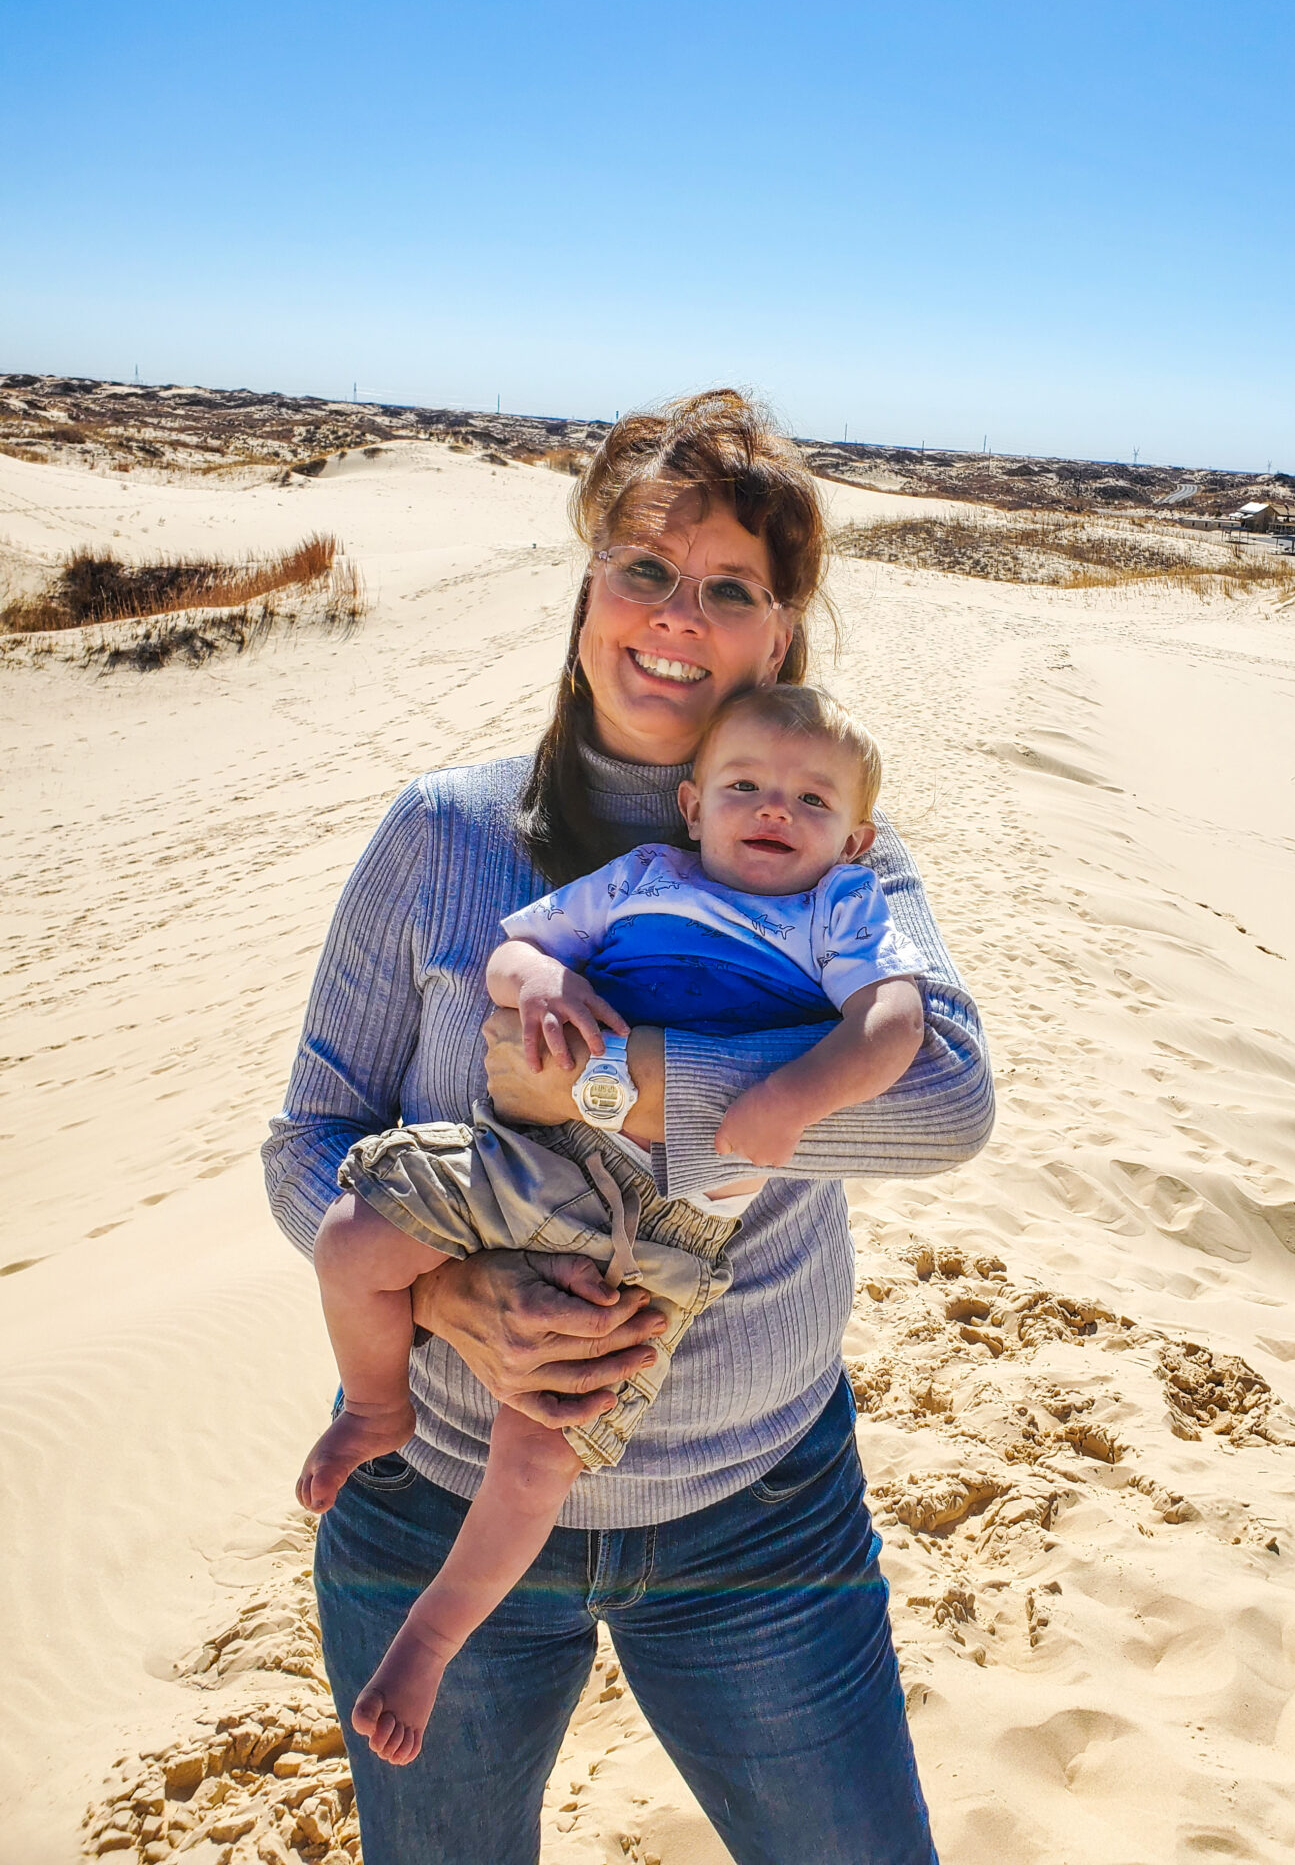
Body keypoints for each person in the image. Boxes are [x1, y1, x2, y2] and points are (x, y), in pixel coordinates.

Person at [263, 388, 994, 1865]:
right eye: (645, 570)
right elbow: (311, 1138)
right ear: (592, 585)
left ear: (780, 633)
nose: (678, 618)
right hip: (435, 1497)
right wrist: (456, 1301)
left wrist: (601, 1085)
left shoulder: (837, 848)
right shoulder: (445, 835)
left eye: (731, 588)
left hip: (759, 1513)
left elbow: (946, 1104)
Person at [297, 683, 927, 1765]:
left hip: (663, 1223)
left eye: (811, 799)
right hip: (530, 1160)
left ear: (854, 836)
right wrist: (538, 976)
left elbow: (898, 1025)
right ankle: (374, 1401)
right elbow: (511, 951)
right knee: (355, 1237)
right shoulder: (644, 878)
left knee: (540, 1440)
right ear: (692, 805)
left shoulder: (842, 908)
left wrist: (790, 1093)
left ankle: (434, 1635)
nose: (775, 808)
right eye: (746, 788)